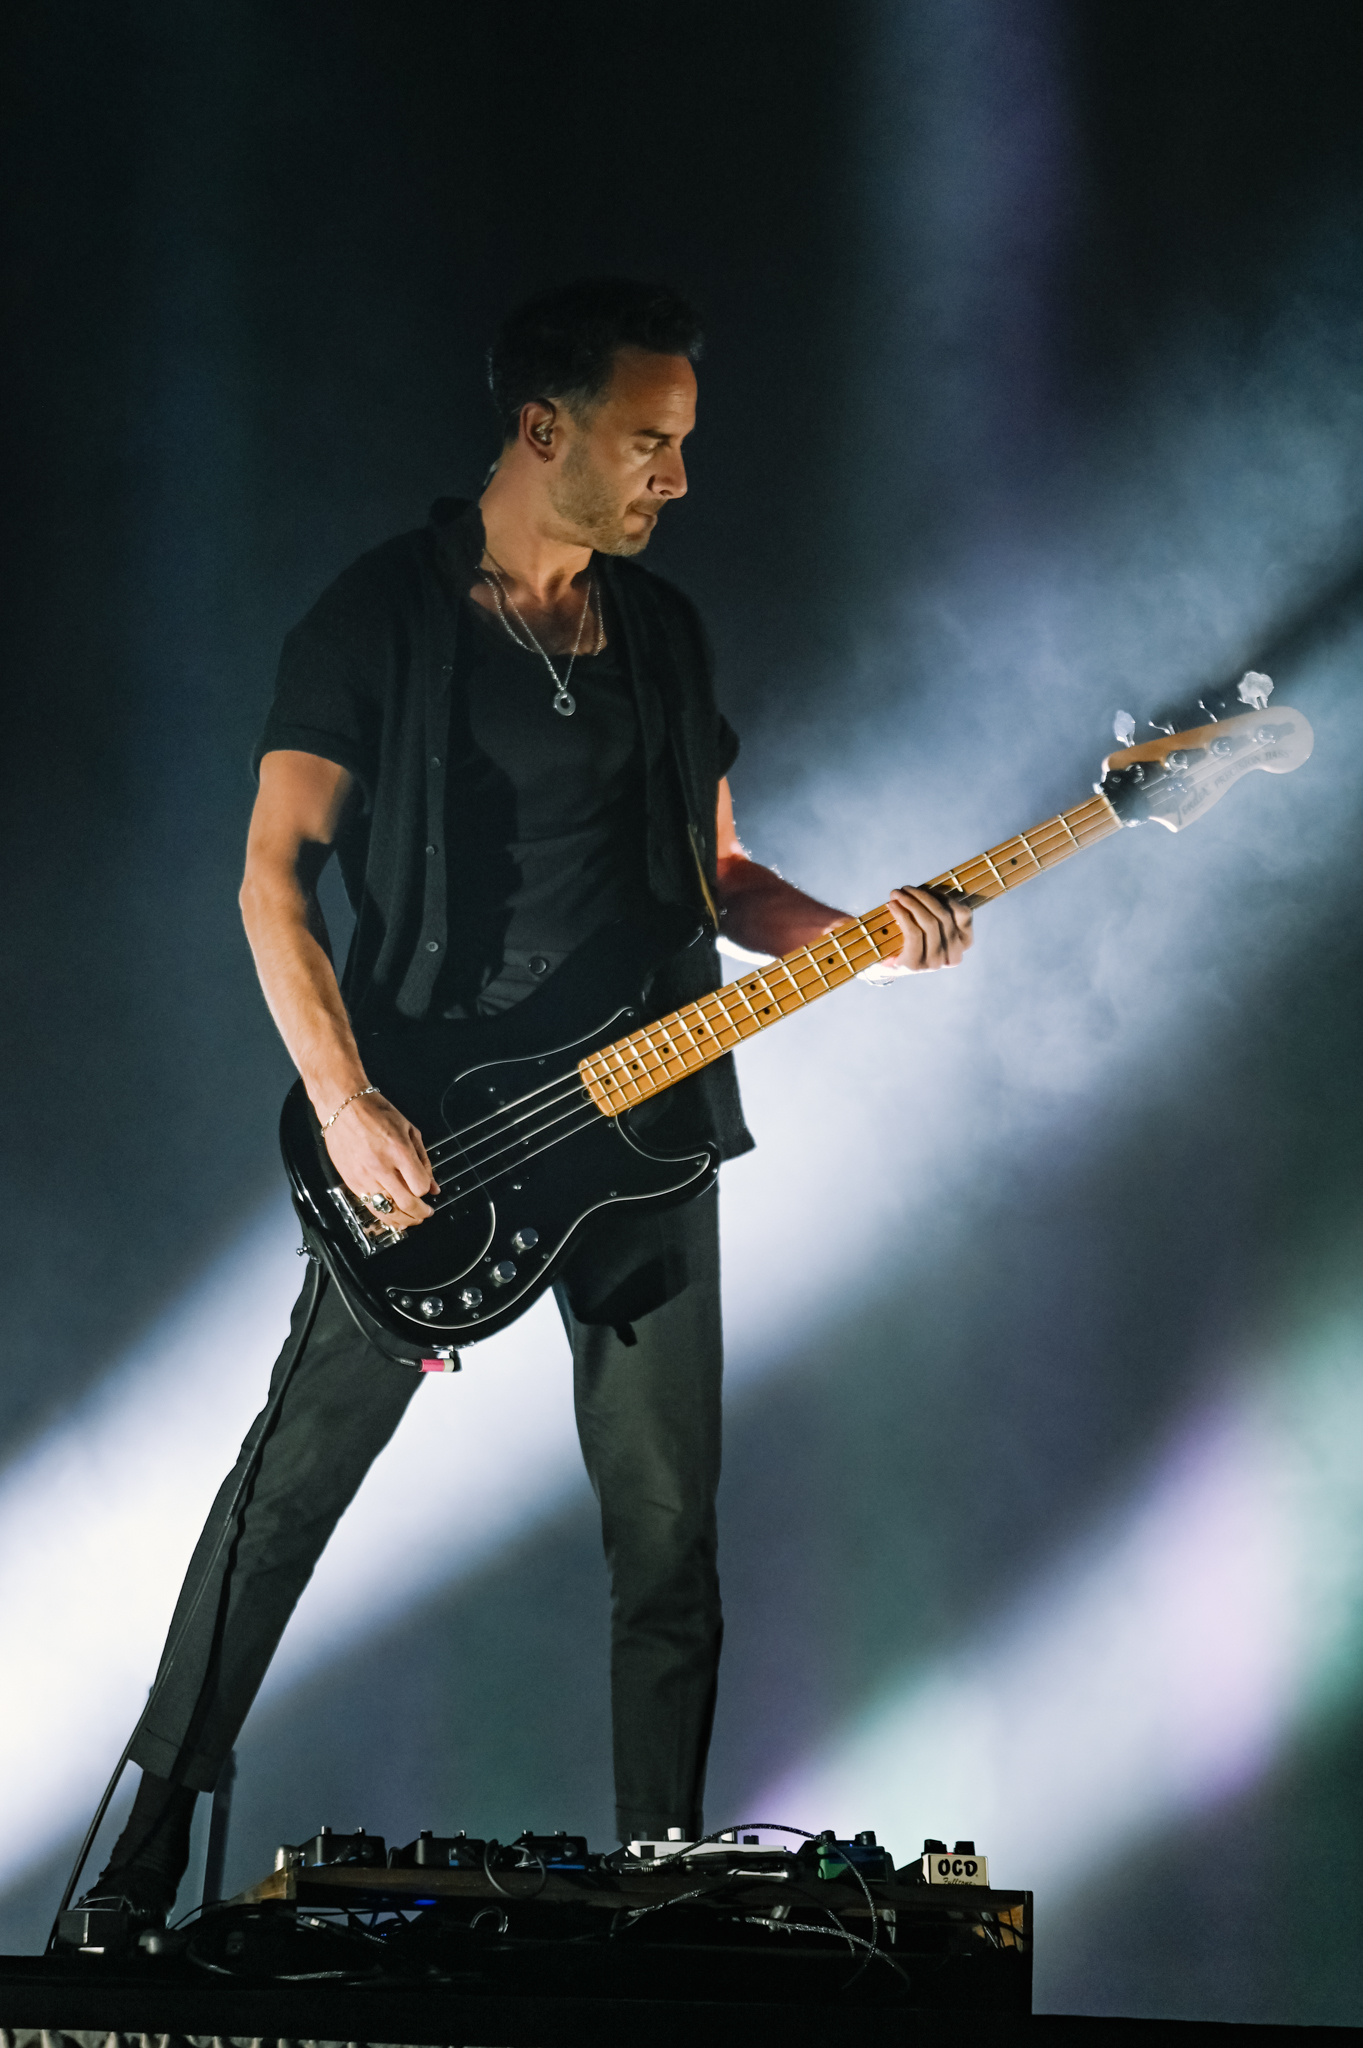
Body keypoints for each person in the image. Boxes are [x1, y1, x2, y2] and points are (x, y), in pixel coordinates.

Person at [81, 278, 972, 1917]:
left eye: (685, 443)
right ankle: (143, 1851)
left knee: (669, 1531)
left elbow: (720, 874)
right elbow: (272, 881)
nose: (678, 477)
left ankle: (659, 1891)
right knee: (287, 1495)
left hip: (649, 1126)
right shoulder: (378, 618)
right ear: (542, 428)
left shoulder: (665, 632)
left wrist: (862, 938)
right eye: (650, 441)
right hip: (441, 1135)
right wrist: (348, 1103)